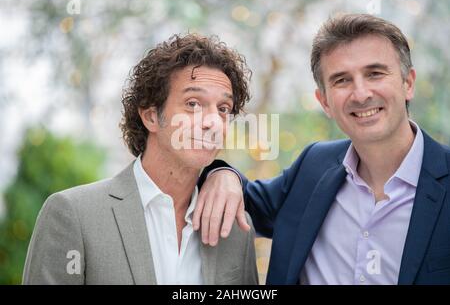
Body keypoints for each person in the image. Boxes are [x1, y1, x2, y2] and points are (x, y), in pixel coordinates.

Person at [194, 14, 450, 284]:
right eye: (342, 80)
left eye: (374, 73)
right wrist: (222, 173)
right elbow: (248, 205)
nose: (361, 94)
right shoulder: (314, 165)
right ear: (324, 101)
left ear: (408, 83)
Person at [23, 34, 258, 285]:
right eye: (193, 104)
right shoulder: (74, 214)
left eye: (223, 109)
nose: (212, 122)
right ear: (150, 116)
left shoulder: (236, 229)